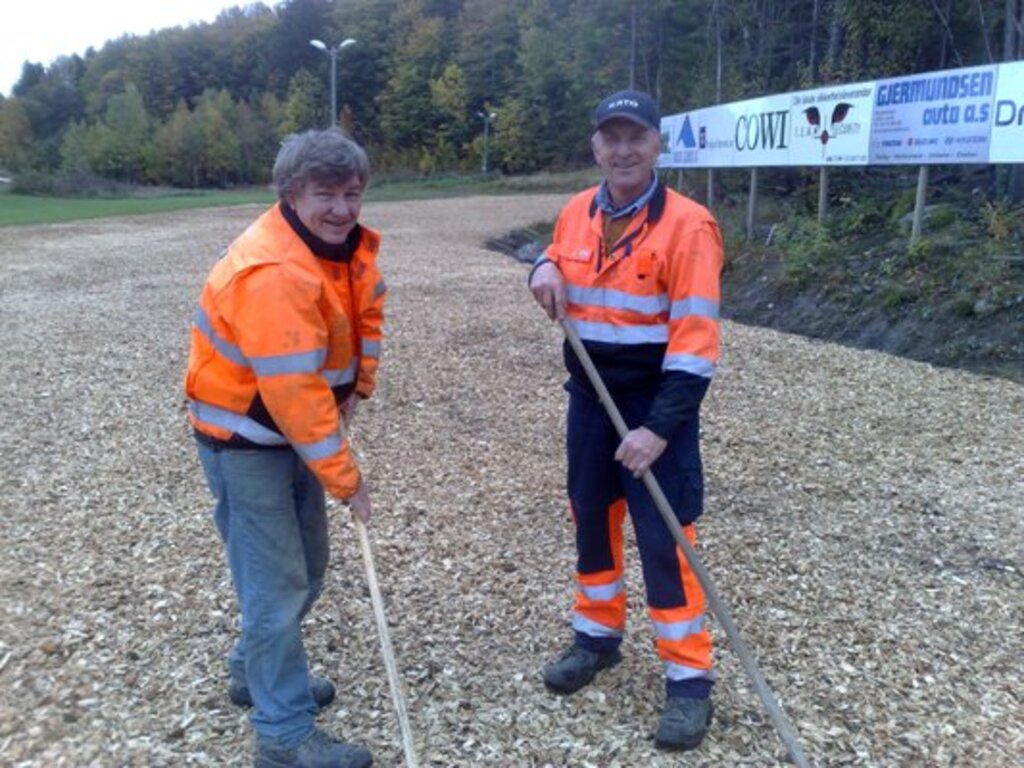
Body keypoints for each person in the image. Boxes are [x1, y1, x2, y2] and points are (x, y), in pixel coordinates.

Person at [528, 89, 723, 752]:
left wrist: (657, 429)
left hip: (652, 406)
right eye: (611, 137)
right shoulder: (577, 211)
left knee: (666, 538)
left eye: (635, 136)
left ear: (656, 143)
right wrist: (542, 267)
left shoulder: (689, 225)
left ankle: (689, 678)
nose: (622, 149)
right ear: (595, 146)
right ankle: (596, 637)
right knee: (589, 516)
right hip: (589, 400)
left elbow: (696, 344)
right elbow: (555, 253)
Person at [185, 128, 386, 768]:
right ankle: (283, 734)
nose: (342, 208)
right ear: (291, 194)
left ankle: (254, 670)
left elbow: (363, 321)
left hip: (286, 435)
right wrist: (347, 479)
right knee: (275, 588)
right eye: (325, 194)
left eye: (351, 193)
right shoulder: (273, 271)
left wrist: (359, 389)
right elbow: (293, 393)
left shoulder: (340, 250)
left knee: (308, 568)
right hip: (247, 444)